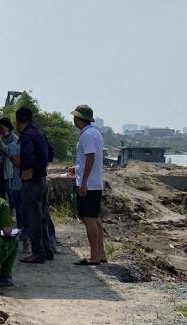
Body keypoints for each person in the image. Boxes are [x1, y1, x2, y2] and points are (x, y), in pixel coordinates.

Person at [70, 105, 106, 266]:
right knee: (95, 218)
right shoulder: (95, 133)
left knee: (88, 218)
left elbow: (90, 157)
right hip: (95, 182)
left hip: (89, 184)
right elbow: (89, 159)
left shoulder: (87, 135)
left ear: (78, 119)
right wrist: (77, 168)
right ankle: (101, 253)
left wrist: (83, 183)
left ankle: (94, 256)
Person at [16, 107, 53, 263]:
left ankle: (37, 253)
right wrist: (40, 169)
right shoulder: (39, 133)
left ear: (18, 121)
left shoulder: (26, 135)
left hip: (31, 182)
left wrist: (29, 170)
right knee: (42, 217)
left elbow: (28, 156)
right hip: (41, 180)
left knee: (33, 218)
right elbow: (51, 153)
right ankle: (47, 249)